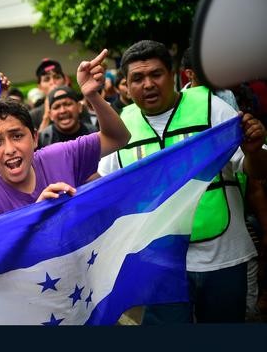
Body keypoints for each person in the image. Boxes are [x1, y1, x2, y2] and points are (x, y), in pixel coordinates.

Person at [97, 40, 267, 323]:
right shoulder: (119, 126)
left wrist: (253, 150)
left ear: (174, 74)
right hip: (157, 266)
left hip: (221, 258)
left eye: (156, 74)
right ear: (125, 85)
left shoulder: (212, 107)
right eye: (137, 78)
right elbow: (101, 188)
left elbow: (258, 170)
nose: (148, 84)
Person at [0, 49, 130, 227]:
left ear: (34, 137)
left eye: (17, 136)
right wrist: (36, 216)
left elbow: (118, 138)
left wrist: (92, 96)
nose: (10, 149)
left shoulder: (61, 156)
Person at [29, 58, 69, 130]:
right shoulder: (33, 115)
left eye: (57, 77)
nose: (53, 82)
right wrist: (46, 117)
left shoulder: (78, 106)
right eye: (47, 79)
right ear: (39, 87)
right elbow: (35, 141)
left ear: (65, 81)